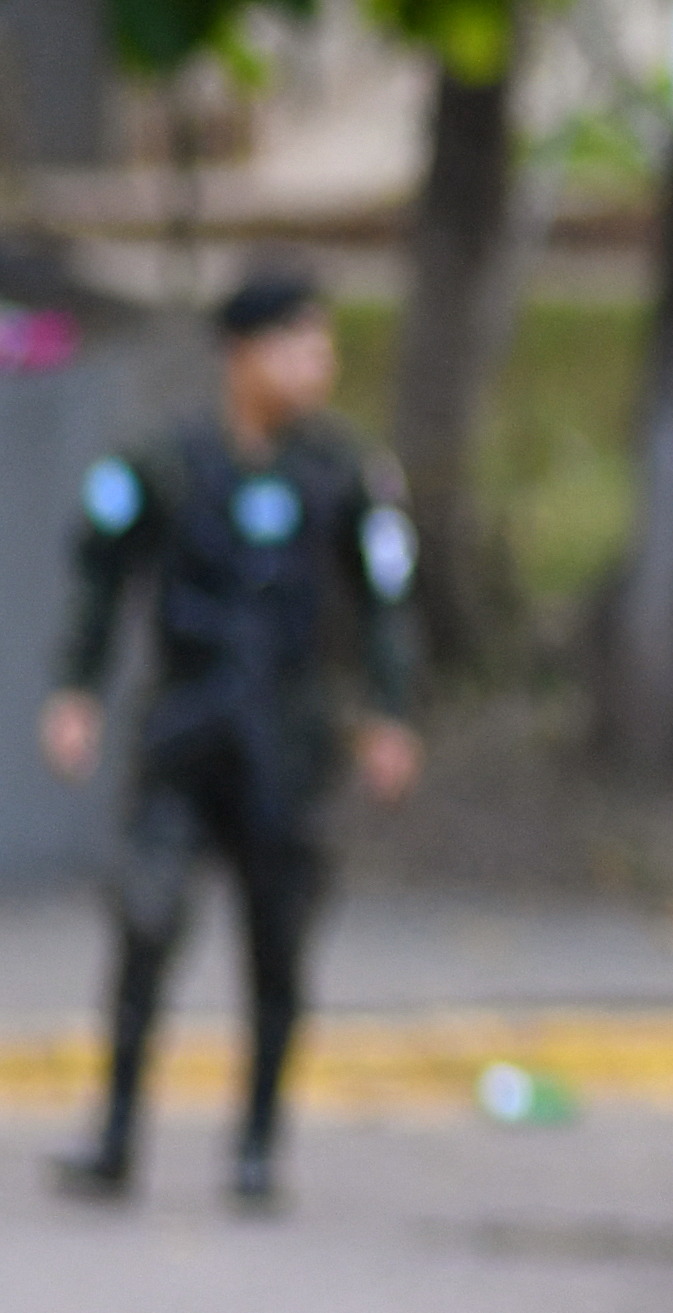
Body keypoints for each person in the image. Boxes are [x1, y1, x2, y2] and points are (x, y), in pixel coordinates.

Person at [43, 264, 423, 1207]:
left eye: (324, 345)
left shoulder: (344, 471)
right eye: (298, 344)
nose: (318, 364)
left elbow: (384, 603)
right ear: (241, 354)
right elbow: (101, 574)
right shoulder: (166, 462)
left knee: (278, 943)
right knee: (147, 920)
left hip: (285, 734)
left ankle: (257, 1148)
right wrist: (76, 690)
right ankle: (118, 1134)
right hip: (186, 720)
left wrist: (390, 709)